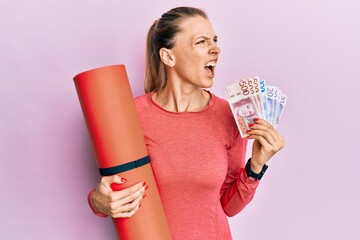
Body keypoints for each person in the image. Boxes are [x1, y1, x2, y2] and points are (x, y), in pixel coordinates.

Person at [88, 6, 284, 239]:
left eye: (215, 40)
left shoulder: (229, 115)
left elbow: (229, 206)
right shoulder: (131, 115)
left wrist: (256, 166)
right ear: (168, 56)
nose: (216, 49)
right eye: (201, 42)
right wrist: (97, 202)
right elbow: (115, 187)